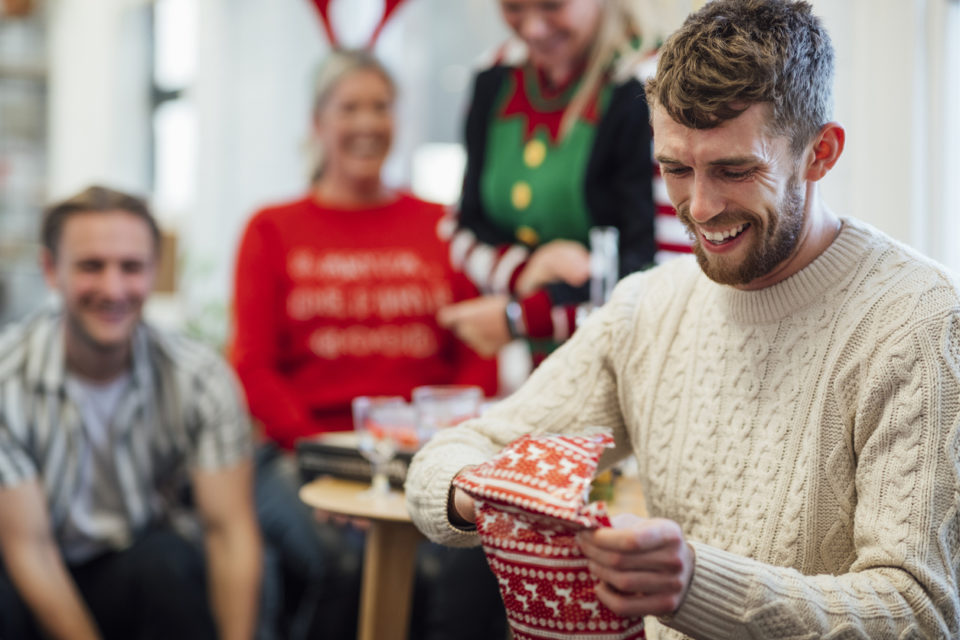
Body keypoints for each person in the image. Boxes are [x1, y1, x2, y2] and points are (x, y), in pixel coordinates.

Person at [405, 1, 960, 638]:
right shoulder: (649, 309)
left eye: (734, 170)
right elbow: (446, 459)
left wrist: (697, 585)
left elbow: (920, 614)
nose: (699, 207)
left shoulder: (919, 323)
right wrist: (487, 494)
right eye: (675, 169)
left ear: (821, 153)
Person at [230, 49, 504, 639]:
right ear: (317, 123)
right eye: (349, 106)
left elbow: (477, 352)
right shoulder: (271, 229)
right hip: (302, 453)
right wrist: (330, 461)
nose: (367, 122)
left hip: (426, 454)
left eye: (381, 106)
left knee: (460, 563)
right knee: (347, 563)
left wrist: (444, 446)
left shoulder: (442, 225)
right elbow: (252, 367)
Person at [0, 186, 262, 640]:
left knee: (168, 563)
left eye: (131, 267)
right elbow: (30, 549)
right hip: (25, 573)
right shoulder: (7, 379)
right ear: (50, 270)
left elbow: (228, 533)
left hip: (127, 563)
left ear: (154, 271)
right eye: (91, 266)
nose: (113, 288)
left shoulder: (199, 378)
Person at [436, 0, 671, 358]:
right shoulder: (495, 73)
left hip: (629, 360)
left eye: (552, 6)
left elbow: (666, 275)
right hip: (522, 369)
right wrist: (526, 271)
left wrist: (526, 317)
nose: (532, 29)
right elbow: (462, 227)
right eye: (513, 7)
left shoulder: (654, 83)